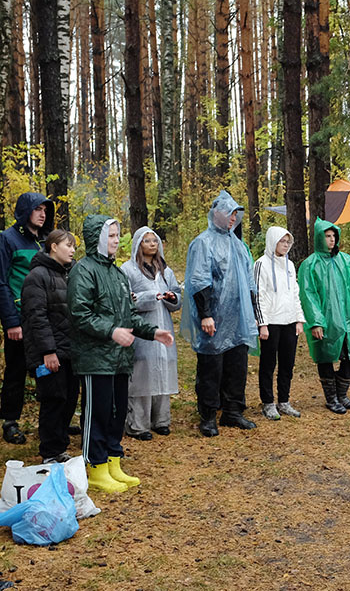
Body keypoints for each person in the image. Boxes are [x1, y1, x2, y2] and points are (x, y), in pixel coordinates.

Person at [68, 215, 174, 493]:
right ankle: (95, 466)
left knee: (116, 414)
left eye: (117, 236)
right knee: (98, 413)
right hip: (95, 358)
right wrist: (112, 331)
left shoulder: (116, 274)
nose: (116, 241)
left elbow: (128, 315)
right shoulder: (84, 270)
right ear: (97, 238)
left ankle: (113, 461)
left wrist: (153, 332)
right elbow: (80, 315)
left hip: (120, 358)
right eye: (111, 236)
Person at [183, 191, 259, 437]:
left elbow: (249, 282)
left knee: (237, 365)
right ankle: (207, 416)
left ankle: (233, 411)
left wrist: (254, 313)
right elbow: (199, 280)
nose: (233, 218)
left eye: (236, 214)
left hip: (238, 318)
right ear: (216, 213)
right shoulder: (203, 243)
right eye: (230, 213)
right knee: (211, 368)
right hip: (214, 317)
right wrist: (206, 314)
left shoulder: (238, 244)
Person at [299, 218, 350, 413]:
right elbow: (308, 295)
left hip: (347, 318)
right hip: (326, 320)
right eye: (327, 236)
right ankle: (331, 398)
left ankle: (342, 396)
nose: (331, 240)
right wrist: (316, 322)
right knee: (325, 356)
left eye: (333, 236)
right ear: (318, 238)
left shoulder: (345, 260)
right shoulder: (310, 265)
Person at [0, 192, 54, 445]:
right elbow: (1, 282)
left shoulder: (44, 241)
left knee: (45, 369)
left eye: (45, 209)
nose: (43, 214)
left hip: (43, 317)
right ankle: (10, 421)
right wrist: (11, 321)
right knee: (16, 371)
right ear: (25, 211)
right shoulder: (7, 239)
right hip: (19, 319)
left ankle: (51, 418)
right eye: (37, 209)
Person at [21, 229, 78, 464]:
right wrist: (48, 351)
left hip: (70, 351)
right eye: (68, 245)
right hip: (48, 353)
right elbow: (37, 317)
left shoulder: (69, 275)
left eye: (74, 246)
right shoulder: (37, 276)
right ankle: (50, 452)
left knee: (69, 398)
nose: (73, 250)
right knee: (53, 399)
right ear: (53, 246)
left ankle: (60, 447)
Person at [121, 227, 182, 440]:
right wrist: (149, 297)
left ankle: (161, 420)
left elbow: (177, 295)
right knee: (142, 374)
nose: (152, 244)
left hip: (163, 328)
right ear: (138, 244)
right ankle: (138, 424)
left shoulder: (165, 269)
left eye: (154, 240)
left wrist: (172, 297)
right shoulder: (127, 269)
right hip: (142, 330)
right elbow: (126, 300)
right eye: (147, 241)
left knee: (164, 370)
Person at [252, 226, 305, 420]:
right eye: (282, 241)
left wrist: (299, 319)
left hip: (289, 321)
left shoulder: (290, 265)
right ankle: (268, 402)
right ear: (273, 241)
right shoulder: (261, 264)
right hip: (271, 322)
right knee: (268, 363)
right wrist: (262, 323)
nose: (285, 245)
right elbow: (258, 295)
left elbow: (294, 293)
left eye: (287, 242)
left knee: (287, 363)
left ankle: (284, 400)